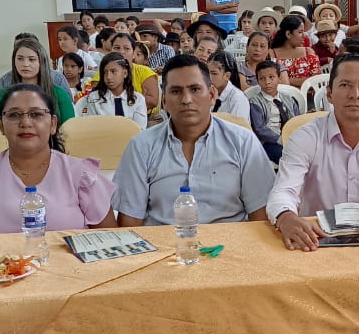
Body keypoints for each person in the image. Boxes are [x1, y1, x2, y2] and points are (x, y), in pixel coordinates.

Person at [267, 55, 359, 251]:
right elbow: (283, 190)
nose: (355, 95)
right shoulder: (305, 137)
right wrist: (286, 218)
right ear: (329, 94)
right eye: (345, 85)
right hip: (317, 241)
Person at [113, 55, 275, 225]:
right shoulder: (141, 146)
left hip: (228, 239)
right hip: (161, 239)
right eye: (176, 91)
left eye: (195, 89)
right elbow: (130, 220)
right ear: (164, 101)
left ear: (212, 95)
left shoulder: (243, 142)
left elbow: (261, 215)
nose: (186, 100)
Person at [0, 83, 116, 238]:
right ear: (1, 125)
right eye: (14, 115)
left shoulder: (82, 176)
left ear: (53, 124)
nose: (25, 122)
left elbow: (111, 243)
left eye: (36, 114)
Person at [0, 38, 76, 125]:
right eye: (20, 59)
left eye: (32, 59)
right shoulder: (3, 94)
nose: (25, 64)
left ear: (41, 62)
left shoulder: (59, 93)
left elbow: (69, 128)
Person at [248, 59, 301, 164]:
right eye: (262, 79)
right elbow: (259, 129)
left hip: (291, 139)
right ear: (257, 81)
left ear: (279, 78)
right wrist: (280, 139)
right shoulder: (255, 102)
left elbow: (297, 120)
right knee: (287, 156)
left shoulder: (288, 99)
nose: (267, 82)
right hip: (269, 142)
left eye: (271, 77)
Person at [80, 54, 147, 128]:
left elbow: (139, 129)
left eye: (113, 71)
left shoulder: (138, 99)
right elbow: (91, 127)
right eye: (105, 72)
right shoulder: (94, 98)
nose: (108, 77)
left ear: (125, 73)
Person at [270, 15, 319, 88]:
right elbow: (271, 80)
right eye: (300, 32)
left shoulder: (308, 52)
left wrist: (286, 80)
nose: (304, 36)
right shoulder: (272, 54)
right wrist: (303, 81)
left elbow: (316, 80)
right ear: (288, 34)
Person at [208, 52, 250, 122]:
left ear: (227, 76)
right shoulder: (207, 92)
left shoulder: (237, 99)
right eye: (207, 72)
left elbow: (236, 127)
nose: (209, 77)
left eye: (214, 74)